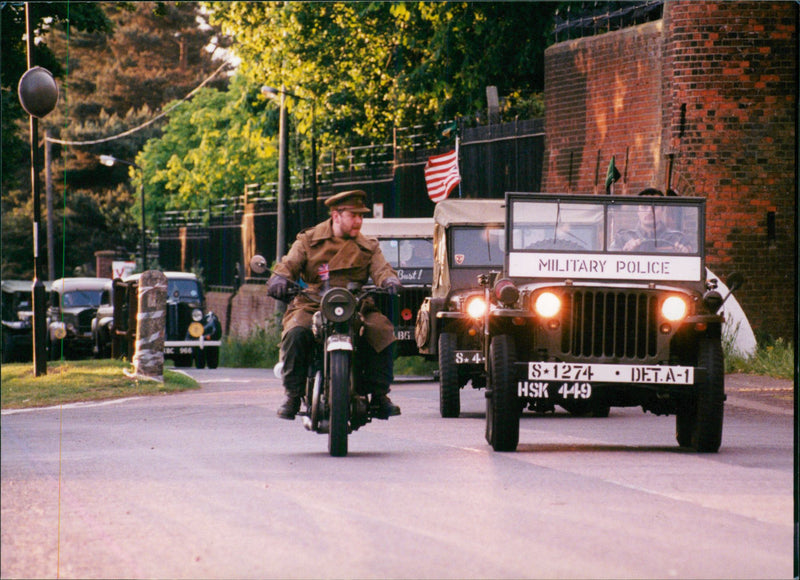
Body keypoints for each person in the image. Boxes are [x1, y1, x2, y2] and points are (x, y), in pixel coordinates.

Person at [266, 190, 403, 420]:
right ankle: (292, 394)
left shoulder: (368, 246)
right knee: (296, 332)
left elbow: (381, 268)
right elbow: (289, 264)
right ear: (336, 216)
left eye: (361, 216)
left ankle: (380, 395)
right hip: (313, 302)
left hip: (355, 303)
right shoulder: (309, 240)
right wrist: (279, 279)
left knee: (382, 331)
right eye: (354, 215)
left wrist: (389, 280)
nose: (359, 221)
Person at [611, 189, 693, 253]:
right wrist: (625, 252)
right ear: (638, 211)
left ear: (663, 210)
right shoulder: (623, 239)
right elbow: (610, 264)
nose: (650, 211)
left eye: (655, 206)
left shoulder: (678, 239)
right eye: (644, 207)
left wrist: (685, 253)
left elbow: (694, 267)